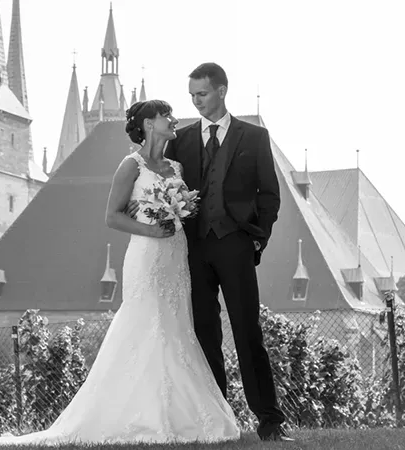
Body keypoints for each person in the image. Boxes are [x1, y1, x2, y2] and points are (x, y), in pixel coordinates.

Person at [0, 100, 240, 446]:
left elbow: (184, 207)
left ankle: (182, 414)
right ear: (148, 124)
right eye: (167, 116)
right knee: (147, 326)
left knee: (177, 328)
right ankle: (141, 415)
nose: (174, 120)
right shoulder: (130, 165)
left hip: (176, 257)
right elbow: (112, 216)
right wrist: (151, 228)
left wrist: (179, 213)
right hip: (147, 255)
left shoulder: (176, 167)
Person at [126, 62, 291, 442]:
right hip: (194, 250)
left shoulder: (254, 137)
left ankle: (269, 420)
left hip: (235, 246)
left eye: (201, 94)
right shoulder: (181, 140)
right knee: (203, 334)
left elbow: (270, 195)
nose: (196, 102)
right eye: (192, 96)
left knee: (248, 331)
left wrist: (257, 238)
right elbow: (153, 180)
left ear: (221, 91)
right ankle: (218, 419)